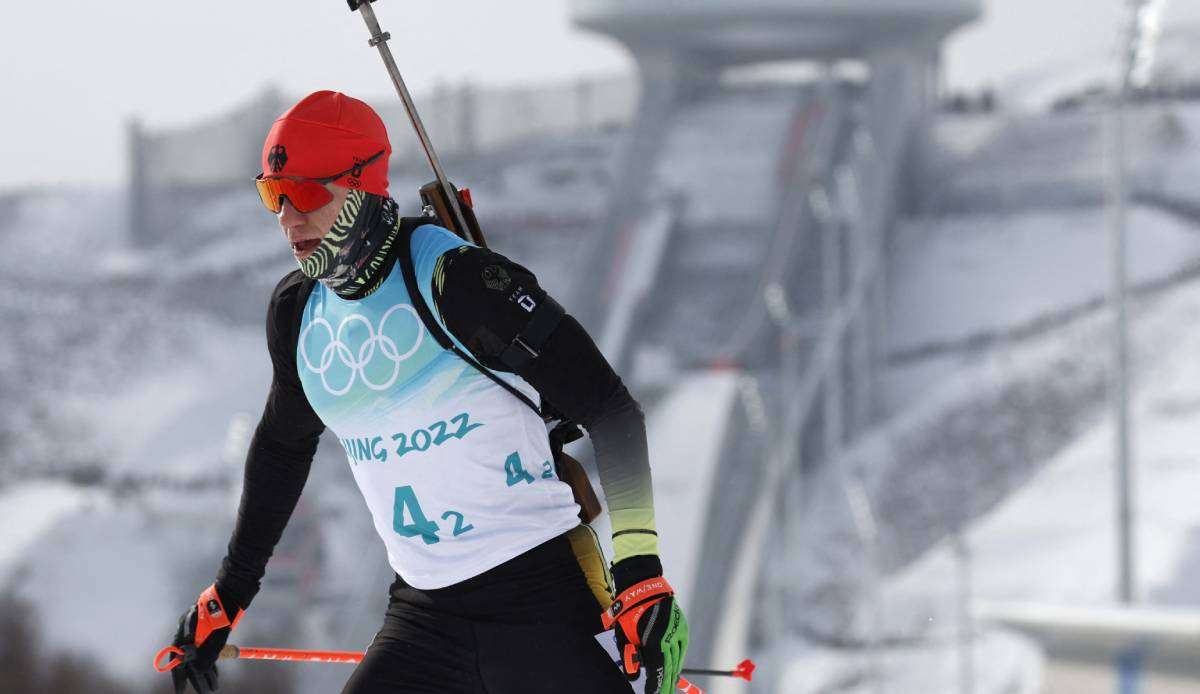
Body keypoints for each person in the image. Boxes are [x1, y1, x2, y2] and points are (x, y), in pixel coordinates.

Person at [167, 90, 688, 694]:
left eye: (306, 193)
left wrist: (640, 573)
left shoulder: (456, 278)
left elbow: (612, 410)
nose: (287, 215)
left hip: (542, 602)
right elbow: (284, 448)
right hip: (423, 617)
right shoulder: (298, 312)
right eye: (272, 193)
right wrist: (228, 595)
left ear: (362, 187)